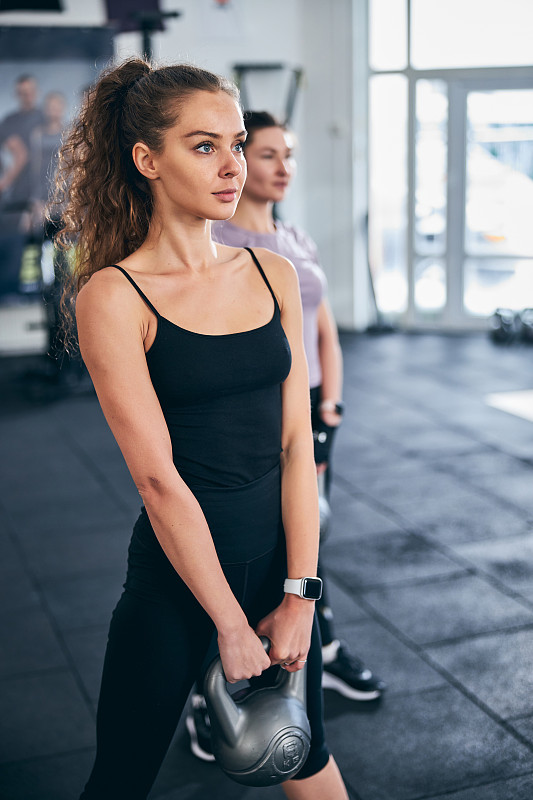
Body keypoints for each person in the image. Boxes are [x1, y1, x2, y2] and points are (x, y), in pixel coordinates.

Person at [52, 58, 349, 800]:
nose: (232, 166)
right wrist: (228, 621)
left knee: (305, 759)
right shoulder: (114, 297)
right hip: (178, 586)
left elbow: (294, 446)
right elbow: (157, 480)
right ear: (147, 160)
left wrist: (300, 597)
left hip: (279, 564)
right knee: (119, 779)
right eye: (204, 145)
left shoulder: (270, 272)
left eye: (237, 143)